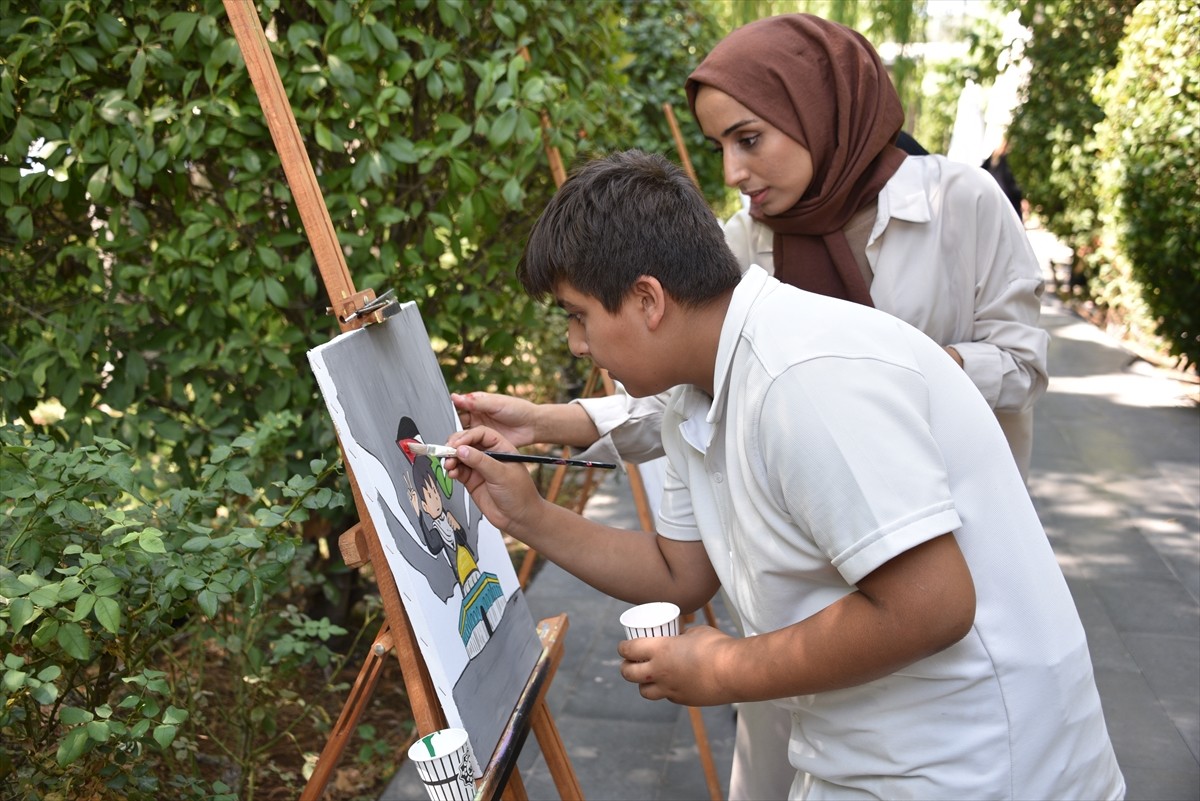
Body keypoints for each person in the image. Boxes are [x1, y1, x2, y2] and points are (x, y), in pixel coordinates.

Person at [445, 150, 1123, 800]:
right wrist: (529, 516)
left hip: (974, 762)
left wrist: (726, 667)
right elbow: (681, 573)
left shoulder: (805, 376)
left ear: (648, 300)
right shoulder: (694, 388)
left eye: (577, 316)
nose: (576, 343)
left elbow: (932, 604)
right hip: (869, 747)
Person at [454, 13, 1049, 480]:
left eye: (749, 139)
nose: (733, 171)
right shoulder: (746, 239)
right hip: (817, 533)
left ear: (818, 110)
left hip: (963, 517)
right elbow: (697, 392)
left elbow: (1022, 367)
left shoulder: (961, 201)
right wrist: (539, 421)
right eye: (718, 146)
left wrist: (897, 367)